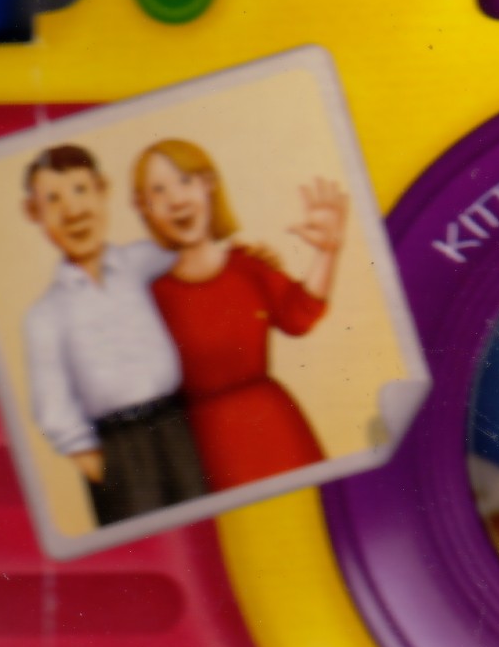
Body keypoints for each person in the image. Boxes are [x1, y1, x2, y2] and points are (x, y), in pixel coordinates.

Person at [131, 138, 349, 491]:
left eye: (185, 180)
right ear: (144, 206)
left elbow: (298, 316)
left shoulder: (248, 265)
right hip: (203, 448)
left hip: (277, 433)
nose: (176, 199)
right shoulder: (150, 297)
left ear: (208, 185)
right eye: (158, 190)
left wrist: (327, 252)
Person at [21, 144, 208, 526]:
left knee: (206, 521)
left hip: (177, 426)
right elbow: (52, 403)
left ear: (103, 190)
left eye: (80, 190)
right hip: (118, 448)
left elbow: (195, 259)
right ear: (33, 212)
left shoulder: (143, 260)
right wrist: (96, 463)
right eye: (53, 199)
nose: (73, 210)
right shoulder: (45, 315)